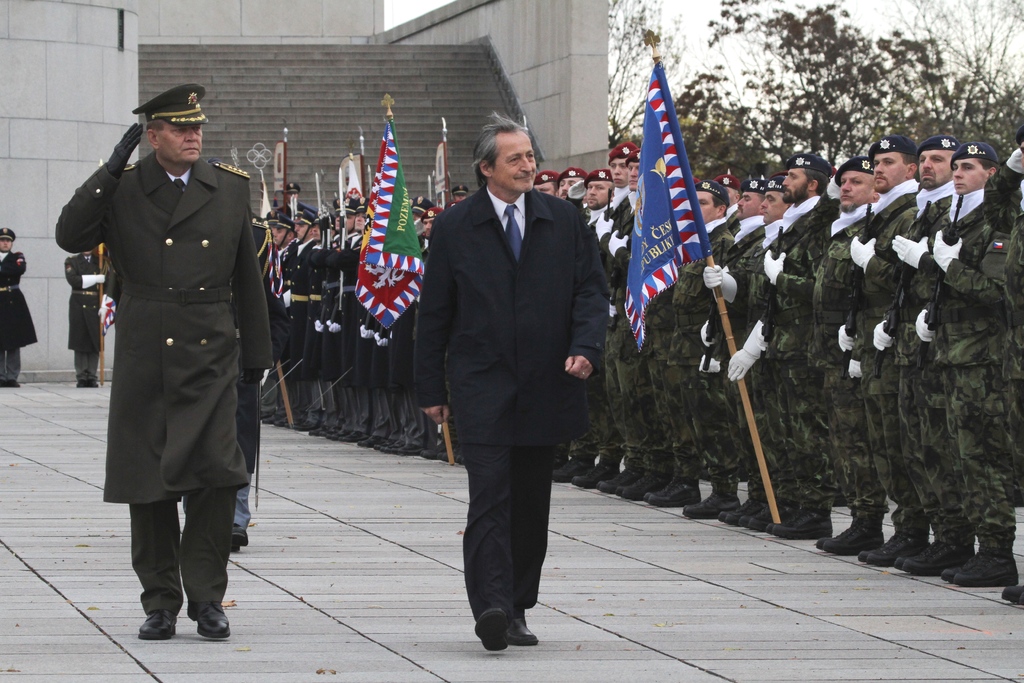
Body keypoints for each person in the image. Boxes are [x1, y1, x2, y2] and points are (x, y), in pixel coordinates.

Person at [55, 84, 272, 641]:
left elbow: (246, 276)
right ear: (151, 138)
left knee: (217, 477)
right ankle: (159, 601)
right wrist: (109, 168)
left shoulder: (226, 189)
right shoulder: (123, 189)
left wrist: (257, 352)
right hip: (146, 347)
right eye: (179, 128)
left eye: (196, 127)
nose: (192, 135)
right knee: (146, 480)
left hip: (210, 347)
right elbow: (69, 234)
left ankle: (207, 597)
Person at [416, 114, 607, 651]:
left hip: (547, 381)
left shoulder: (563, 220)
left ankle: (519, 603)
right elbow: (435, 313)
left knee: (530, 502)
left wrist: (586, 348)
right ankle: (492, 606)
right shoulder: (457, 226)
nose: (529, 166)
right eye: (516, 158)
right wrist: (430, 388)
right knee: (490, 498)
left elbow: (591, 292)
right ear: (486, 169)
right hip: (482, 384)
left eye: (530, 156)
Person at [64, 249, 108, 387]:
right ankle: (81, 376)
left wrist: (105, 304)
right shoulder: (72, 261)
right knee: (80, 339)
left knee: (95, 340)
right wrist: (95, 279)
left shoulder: (100, 261)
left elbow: (107, 284)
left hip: (95, 302)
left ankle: (92, 375)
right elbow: (74, 280)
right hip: (78, 302)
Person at [0, 228, 37, 387]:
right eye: (2, 240)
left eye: (8, 240)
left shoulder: (17, 256)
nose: (5, 243)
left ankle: (12, 376)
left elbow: (19, 269)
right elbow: (12, 269)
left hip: (13, 300)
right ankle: (1, 376)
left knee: (14, 341)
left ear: (12, 243)